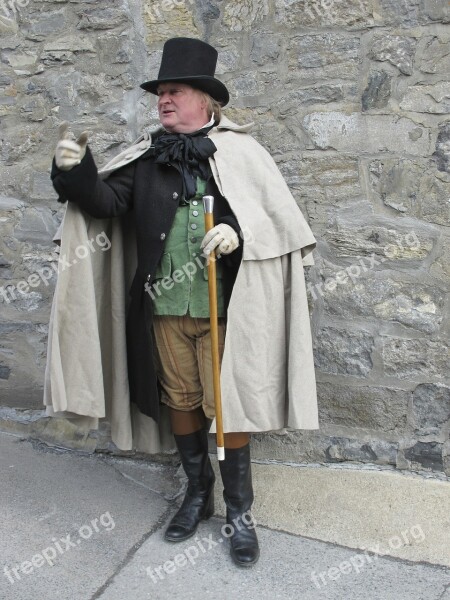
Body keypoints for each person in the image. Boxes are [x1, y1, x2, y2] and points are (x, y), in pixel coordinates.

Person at [50, 37, 318, 568]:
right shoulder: (148, 158)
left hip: (225, 310)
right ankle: (197, 494)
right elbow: (105, 203)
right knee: (181, 400)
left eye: (174, 92)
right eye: (160, 93)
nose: (163, 101)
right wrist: (75, 170)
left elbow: (268, 222)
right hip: (166, 306)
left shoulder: (244, 153)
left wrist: (236, 234)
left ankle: (240, 512)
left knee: (229, 407)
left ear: (205, 100)